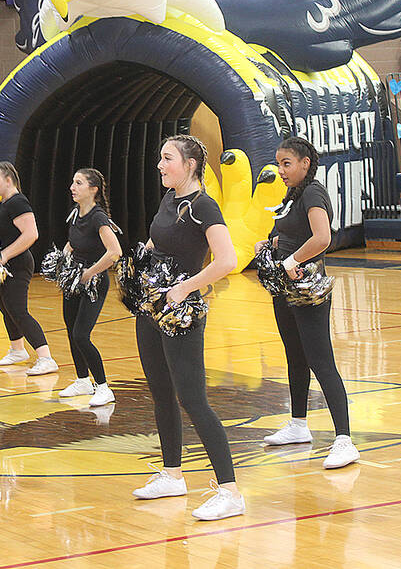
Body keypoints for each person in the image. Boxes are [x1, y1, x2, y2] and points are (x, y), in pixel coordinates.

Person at [131, 134, 243, 521]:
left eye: (168, 159)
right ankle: (172, 474)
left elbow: (226, 259)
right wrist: (142, 256)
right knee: (161, 392)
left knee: (193, 399)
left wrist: (183, 288)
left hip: (182, 310)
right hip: (152, 306)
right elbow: (160, 239)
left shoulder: (204, 206)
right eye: (161, 158)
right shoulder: (169, 199)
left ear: (190, 164)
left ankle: (230, 491)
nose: (160, 165)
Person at [254, 138, 359, 470]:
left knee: (320, 361)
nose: (281, 170)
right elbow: (292, 230)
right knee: (295, 357)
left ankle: (344, 439)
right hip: (286, 288)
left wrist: (292, 258)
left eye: (287, 163)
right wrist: (271, 242)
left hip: (308, 290)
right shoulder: (294, 194)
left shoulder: (313, 192)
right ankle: (298, 425)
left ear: (304, 163)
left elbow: (322, 238)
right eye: (278, 163)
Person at [0, 161, 58, 375]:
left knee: (18, 309)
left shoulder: (18, 202)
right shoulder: (2, 204)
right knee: (6, 308)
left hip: (17, 264)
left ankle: (45, 357)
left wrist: (5, 255)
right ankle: (17, 350)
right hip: (0, 267)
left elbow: (31, 234)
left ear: (9, 180)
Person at [57, 168, 122, 407]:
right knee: (70, 330)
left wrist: (90, 272)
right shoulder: (76, 213)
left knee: (81, 335)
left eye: (79, 183)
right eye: (73, 182)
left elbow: (115, 252)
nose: (73, 187)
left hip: (93, 283)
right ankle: (83, 380)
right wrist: (63, 257)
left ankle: (104, 387)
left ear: (93, 190)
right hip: (73, 279)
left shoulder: (98, 217)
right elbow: (73, 243)